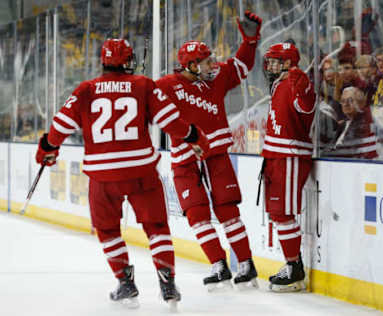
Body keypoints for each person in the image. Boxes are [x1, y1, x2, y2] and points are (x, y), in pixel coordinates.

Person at [34, 38, 209, 309]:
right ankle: (168, 282)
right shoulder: (143, 85)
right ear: (127, 61)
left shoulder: (86, 89)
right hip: (141, 171)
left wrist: (48, 147)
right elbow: (170, 121)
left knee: (107, 229)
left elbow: (60, 125)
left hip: (103, 177)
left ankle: (126, 283)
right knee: (157, 227)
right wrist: (193, 135)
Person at [154, 10, 262, 291]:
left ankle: (247, 265)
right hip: (184, 159)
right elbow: (143, 100)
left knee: (227, 209)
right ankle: (218, 265)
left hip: (216, 155)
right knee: (196, 214)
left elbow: (241, 65)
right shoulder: (166, 85)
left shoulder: (218, 78)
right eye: (205, 62)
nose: (213, 64)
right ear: (190, 65)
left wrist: (249, 42)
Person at [261, 42, 316, 292]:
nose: (269, 65)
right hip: (274, 155)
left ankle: (294, 268)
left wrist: (304, 89)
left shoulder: (297, 84)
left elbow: (307, 107)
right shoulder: (279, 84)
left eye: (275, 60)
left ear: (287, 63)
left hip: (290, 155)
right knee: (277, 213)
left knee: (283, 212)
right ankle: (292, 264)